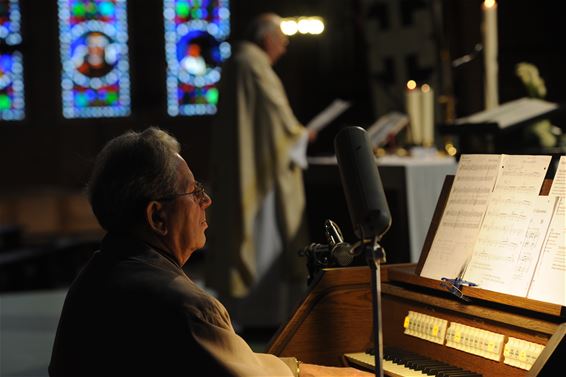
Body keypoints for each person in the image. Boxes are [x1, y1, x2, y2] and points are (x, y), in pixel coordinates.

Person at [48, 127, 370, 377]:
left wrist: (308, 370)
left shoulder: (98, 274)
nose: (207, 201)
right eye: (194, 191)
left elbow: (228, 360)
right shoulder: (184, 306)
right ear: (157, 216)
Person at [206, 13, 316, 328]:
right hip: (264, 177)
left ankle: (247, 313)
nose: (283, 47)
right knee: (264, 242)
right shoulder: (254, 65)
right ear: (267, 38)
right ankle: (268, 316)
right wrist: (301, 135)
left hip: (244, 168)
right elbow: (277, 120)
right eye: (282, 40)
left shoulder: (236, 62)